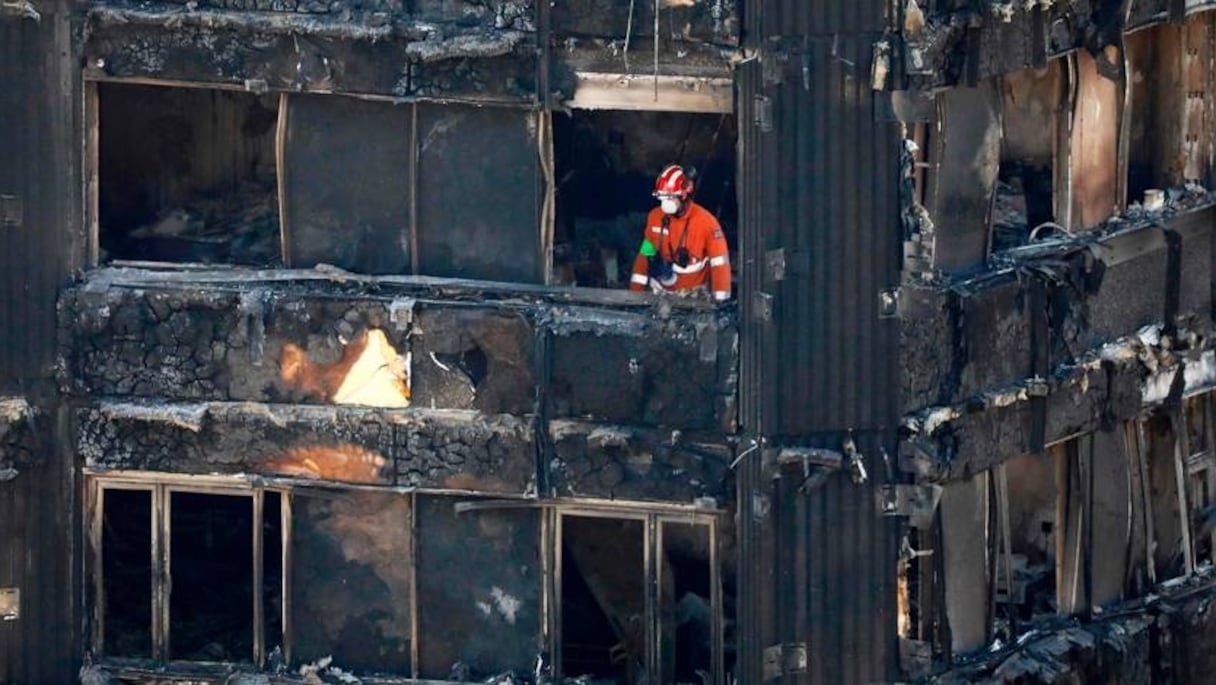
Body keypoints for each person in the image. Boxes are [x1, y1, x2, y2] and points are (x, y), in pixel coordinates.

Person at [628, 164, 731, 302]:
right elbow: (645, 255)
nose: (665, 204)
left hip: (694, 297)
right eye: (662, 198)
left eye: (670, 197)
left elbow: (719, 264)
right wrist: (635, 295)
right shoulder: (655, 217)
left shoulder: (706, 223)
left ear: (683, 195)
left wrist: (720, 300)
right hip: (661, 294)